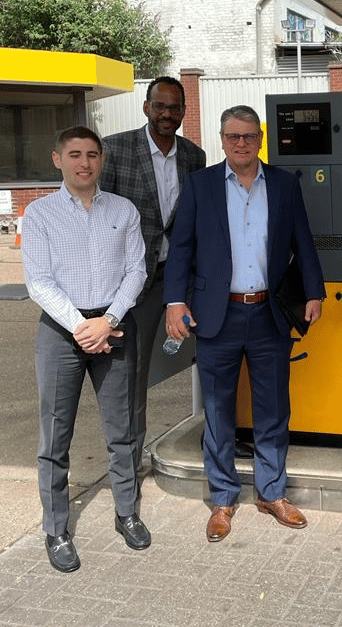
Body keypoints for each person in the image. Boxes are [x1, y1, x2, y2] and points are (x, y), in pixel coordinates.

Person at [163, 105, 325, 541]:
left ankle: (272, 492)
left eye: (249, 136)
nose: (241, 143)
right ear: (222, 139)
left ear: (260, 139)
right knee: (218, 409)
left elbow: (302, 241)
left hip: (269, 311)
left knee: (274, 406)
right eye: (233, 136)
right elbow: (181, 247)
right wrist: (174, 302)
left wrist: (314, 292)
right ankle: (222, 498)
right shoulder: (200, 186)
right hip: (218, 314)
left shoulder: (285, 185)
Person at [22, 126, 150, 573]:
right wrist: (82, 327)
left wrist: (108, 321)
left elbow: (137, 270)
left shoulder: (124, 209)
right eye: (74, 154)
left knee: (123, 428)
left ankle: (127, 512)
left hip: (113, 325)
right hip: (63, 331)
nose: (84, 163)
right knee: (55, 435)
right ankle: (56, 529)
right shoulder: (37, 215)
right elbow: (38, 282)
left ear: (103, 159)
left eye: (92, 154)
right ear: (57, 159)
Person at [101, 76, 206, 471]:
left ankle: (211, 441)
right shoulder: (115, 149)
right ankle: (128, 465)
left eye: (174, 107)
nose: (167, 114)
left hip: (180, 278)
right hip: (133, 282)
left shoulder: (194, 157)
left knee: (205, 357)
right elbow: (101, 217)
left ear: (183, 111)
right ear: (146, 107)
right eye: (159, 106)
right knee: (132, 377)